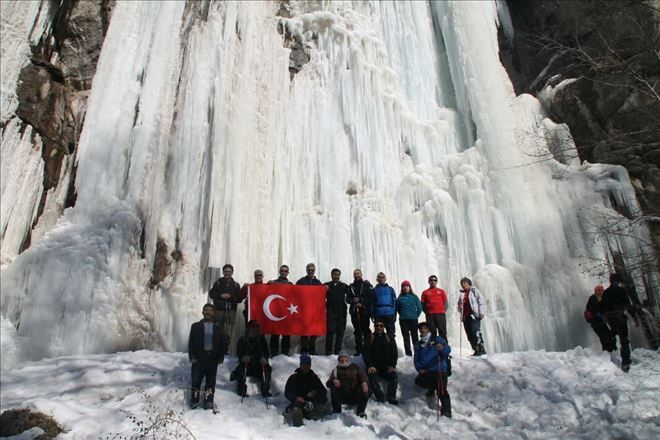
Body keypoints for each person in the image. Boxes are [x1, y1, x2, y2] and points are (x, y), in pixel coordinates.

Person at [188, 304, 226, 409]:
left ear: (213, 313)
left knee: (210, 382)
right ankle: (194, 402)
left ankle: (208, 403)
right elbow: (191, 342)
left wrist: (221, 357)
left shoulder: (219, 327)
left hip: (212, 359)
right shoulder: (195, 326)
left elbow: (223, 343)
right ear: (202, 312)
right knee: (196, 381)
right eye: (205, 310)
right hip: (199, 358)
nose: (207, 312)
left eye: (210, 310)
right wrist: (192, 356)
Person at [602, 273, 640, 372]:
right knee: (624, 339)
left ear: (610, 281)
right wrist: (634, 318)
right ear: (618, 281)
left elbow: (603, 307)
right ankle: (625, 362)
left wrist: (605, 318)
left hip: (610, 317)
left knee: (613, 334)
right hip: (619, 316)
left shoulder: (606, 292)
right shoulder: (621, 290)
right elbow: (628, 305)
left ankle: (608, 353)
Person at [413, 322, 452, 418]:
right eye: (421, 329)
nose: (422, 330)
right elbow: (416, 359)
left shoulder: (437, 339)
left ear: (429, 330)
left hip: (439, 370)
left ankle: (447, 411)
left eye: (425, 328)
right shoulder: (419, 344)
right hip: (427, 372)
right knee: (418, 381)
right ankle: (432, 387)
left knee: (442, 391)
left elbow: (448, 350)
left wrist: (442, 348)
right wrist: (419, 369)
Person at [284, 353, 329, 427]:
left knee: (321, 407)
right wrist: (296, 398)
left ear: (310, 365)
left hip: (311, 404)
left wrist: (315, 392)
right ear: (300, 364)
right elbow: (287, 393)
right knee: (296, 411)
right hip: (298, 403)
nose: (306, 366)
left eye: (308, 364)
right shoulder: (294, 377)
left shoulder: (313, 377)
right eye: (304, 364)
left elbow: (323, 391)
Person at [362, 319, 399, 405]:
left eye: (381, 326)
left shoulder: (389, 337)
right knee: (372, 378)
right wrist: (369, 365)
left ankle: (391, 396)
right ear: (374, 327)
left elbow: (394, 353)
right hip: (374, 366)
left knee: (393, 377)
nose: (379, 327)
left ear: (384, 327)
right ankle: (380, 397)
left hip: (387, 366)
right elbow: (365, 353)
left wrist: (392, 365)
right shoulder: (370, 337)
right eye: (377, 326)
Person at [209, 263, 241, 361]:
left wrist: (231, 298)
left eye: (229, 271)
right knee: (218, 330)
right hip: (218, 311)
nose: (227, 273)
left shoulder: (236, 285)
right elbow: (211, 294)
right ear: (223, 272)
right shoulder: (218, 283)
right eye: (226, 271)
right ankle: (216, 350)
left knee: (228, 332)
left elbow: (239, 298)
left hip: (230, 311)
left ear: (232, 272)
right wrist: (221, 295)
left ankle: (225, 351)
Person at [231, 320, 272, 397]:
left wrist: (264, 359)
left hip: (259, 365)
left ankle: (265, 390)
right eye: (253, 327)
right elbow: (239, 353)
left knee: (267, 369)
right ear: (248, 328)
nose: (255, 329)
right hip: (247, 365)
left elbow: (266, 353)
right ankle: (242, 390)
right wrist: (243, 358)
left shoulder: (261, 340)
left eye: (257, 327)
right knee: (240, 370)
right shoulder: (242, 340)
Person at [326, 352, 369, 418]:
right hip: (343, 395)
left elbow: (364, 377)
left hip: (355, 394)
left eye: (345, 358)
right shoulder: (336, 369)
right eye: (341, 358)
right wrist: (333, 381)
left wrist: (364, 383)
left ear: (349, 359)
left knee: (366, 389)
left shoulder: (355, 367)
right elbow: (328, 383)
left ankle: (361, 412)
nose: (343, 360)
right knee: (333, 388)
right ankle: (336, 411)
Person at [297, 263, 323, 355]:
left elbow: (322, 294)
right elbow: (294, 292)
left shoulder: (317, 282)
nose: (310, 271)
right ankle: (303, 350)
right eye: (309, 269)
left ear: (314, 270)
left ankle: (312, 349)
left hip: (314, 311)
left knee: (313, 331)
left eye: (312, 270)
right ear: (306, 270)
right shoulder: (301, 281)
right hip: (303, 310)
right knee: (303, 331)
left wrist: (325, 289)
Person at [457, 277, 486, 356]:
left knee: (475, 332)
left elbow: (481, 301)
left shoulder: (474, 291)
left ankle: (481, 349)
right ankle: (476, 349)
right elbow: (459, 306)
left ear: (469, 283)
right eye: (462, 284)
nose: (463, 285)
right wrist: (459, 307)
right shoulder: (462, 294)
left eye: (465, 283)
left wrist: (481, 313)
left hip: (474, 315)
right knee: (469, 334)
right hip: (465, 317)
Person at [268, 265, 293, 356]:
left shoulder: (291, 285)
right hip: (276, 312)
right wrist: (268, 284)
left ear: (288, 273)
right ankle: (274, 354)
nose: (283, 272)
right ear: (279, 271)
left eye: (285, 271)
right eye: (282, 271)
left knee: (286, 334)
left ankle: (285, 354)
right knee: (275, 334)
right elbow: (265, 292)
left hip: (287, 312)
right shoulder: (273, 282)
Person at [347, 269, 373, 355]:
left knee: (366, 330)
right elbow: (347, 299)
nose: (357, 275)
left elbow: (370, 298)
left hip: (364, 311)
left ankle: (368, 349)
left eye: (358, 273)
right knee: (357, 331)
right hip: (355, 312)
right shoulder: (351, 287)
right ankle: (358, 350)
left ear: (361, 274)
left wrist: (361, 301)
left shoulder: (366, 285)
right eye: (355, 274)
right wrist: (353, 300)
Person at [324, 268, 349, 355]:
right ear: (331, 275)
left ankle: (337, 350)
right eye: (334, 275)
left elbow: (352, 292)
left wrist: (366, 283)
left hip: (341, 311)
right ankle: (328, 351)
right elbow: (316, 290)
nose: (336, 276)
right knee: (329, 331)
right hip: (330, 310)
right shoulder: (327, 285)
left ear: (339, 276)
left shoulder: (344, 286)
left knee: (340, 331)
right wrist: (323, 289)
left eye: (337, 275)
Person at [584, 284, 616, 352]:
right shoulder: (593, 298)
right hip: (595, 321)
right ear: (595, 291)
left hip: (600, 320)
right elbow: (592, 309)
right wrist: (600, 313)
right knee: (604, 335)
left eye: (602, 290)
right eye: (598, 290)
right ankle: (608, 350)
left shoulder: (603, 298)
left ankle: (610, 350)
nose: (600, 292)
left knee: (607, 335)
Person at [396, 280, 423, 356]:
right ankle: (408, 354)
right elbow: (397, 308)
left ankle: (417, 353)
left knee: (415, 336)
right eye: (403, 286)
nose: (405, 288)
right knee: (406, 337)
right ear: (402, 288)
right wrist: (403, 314)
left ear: (410, 287)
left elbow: (420, 307)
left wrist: (415, 315)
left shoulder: (414, 297)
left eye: (407, 286)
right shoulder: (400, 298)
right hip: (403, 320)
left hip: (413, 320)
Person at [421, 275, 449, 340]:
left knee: (442, 331)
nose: (433, 281)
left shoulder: (441, 291)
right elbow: (422, 304)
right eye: (431, 280)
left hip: (440, 314)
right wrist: (427, 312)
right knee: (432, 332)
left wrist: (442, 311)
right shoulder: (425, 292)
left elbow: (446, 303)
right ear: (428, 281)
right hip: (430, 315)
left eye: (435, 280)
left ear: (436, 282)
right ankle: (433, 348)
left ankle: (445, 347)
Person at [370, 272, 397, 337]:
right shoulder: (374, 290)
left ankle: (392, 346)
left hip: (389, 314)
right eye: (379, 277)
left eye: (382, 277)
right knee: (378, 334)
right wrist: (372, 314)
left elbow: (394, 302)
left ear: (385, 279)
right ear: (377, 280)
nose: (381, 279)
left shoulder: (391, 289)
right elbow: (372, 303)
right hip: (378, 314)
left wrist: (394, 314)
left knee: (391, 334)